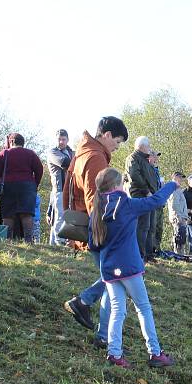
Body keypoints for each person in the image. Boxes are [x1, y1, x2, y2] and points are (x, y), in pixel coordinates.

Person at [88, 167, 177, 368]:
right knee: (143, 308)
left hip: (109, 269)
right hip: (129, 266)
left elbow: (93, 244)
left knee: (118, 311)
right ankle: (155, 352)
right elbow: (156, 201)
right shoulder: (127, 204)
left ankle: (114, 354)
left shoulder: (97, 209)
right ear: (118, 185)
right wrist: (172, 184)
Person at [63, 117, 128, 342]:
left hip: (88, 223)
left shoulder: (83, 152)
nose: (117, 148)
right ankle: (84, 305)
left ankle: (95, 321)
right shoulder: (96, 157)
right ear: (107, 135)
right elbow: (95, 198)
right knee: (117, 277)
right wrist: (106, 229)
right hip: (97, 227)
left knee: (113, 277)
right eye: (117, 142)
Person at [0, 133, 43, 243]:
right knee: (26, 214)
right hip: (27, 186)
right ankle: (28, 240)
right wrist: (35, 184)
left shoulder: (4, 153)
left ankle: (8, 240)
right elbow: (39, 169)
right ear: (22, 143)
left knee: (8, 215)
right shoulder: (31, 154)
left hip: (8, 186)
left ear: (11, 142)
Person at [124, 136, 160, 261]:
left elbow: (151, 178)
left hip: (150, 197)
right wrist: (146, 191)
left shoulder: (146, 160)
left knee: (150, 227)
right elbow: (135, 176)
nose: (150, 149)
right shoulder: (132, 158)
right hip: (140, 196)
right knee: (142, 226)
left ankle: (149, 255)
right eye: (148, 146)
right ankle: (139, 255)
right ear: (142, 146)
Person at [47, 129, 74, 245]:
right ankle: (60, 242)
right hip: (59, 189)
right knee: (60, 217)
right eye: (59, 139)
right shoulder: (53, 152)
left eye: (63, 139)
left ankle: (54, 244)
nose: (61, 142)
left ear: (68, 140)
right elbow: (65, 163)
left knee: (63, 217)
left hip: (70, 190)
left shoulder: (72, 152)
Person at [167, 171, 189, 254]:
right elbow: (174, 204)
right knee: (178, 235)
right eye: (180, 177)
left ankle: (180, 253)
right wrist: (178, 216)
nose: (181, 179)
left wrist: (186, 216)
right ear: (175, 177)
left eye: (182, 178)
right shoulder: (174, 189)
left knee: (182, 235)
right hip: (177, 217)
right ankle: (178, 254)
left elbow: (181, 204)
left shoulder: (178, 189)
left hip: (181, 216)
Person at [149, 151, 165, 255]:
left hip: (159, 203)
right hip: (152, 202)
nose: (156, 159)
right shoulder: (148, 170)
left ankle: (157, 248)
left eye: (157, 157)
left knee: (159, 227)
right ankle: (151, 249)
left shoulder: (157, 171)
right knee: (152, 227)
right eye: (154, 156)